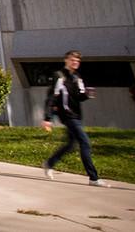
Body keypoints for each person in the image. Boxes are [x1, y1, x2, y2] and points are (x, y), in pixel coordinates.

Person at [41, 50, 109, 187]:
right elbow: (51, 97)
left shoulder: (77, 77)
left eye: (78, 61)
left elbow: (79, 97)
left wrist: (87, 95)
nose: (75, 62)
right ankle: (93, 178)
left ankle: (49, 163)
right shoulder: (59, 76)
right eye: (72, 60)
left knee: (71, 144)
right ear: (66, 60)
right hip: (67, 115)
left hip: (76, 115)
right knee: (85, 142)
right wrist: (47, 118)